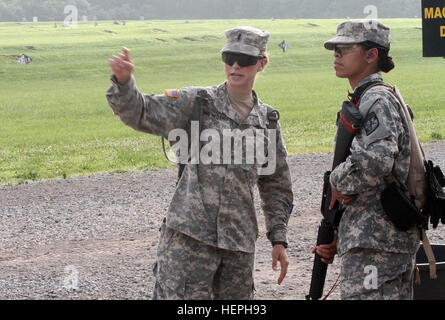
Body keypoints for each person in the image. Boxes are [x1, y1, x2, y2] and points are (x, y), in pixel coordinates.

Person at [106, 26, 294, 300]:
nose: (235, 65)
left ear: (262, 63)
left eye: (245, 59)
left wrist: (278, 238)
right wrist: (124, 83)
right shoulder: (196, 103)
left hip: (238, 249)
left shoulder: (267, 122)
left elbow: (276, 184)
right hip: (189, 242)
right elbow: (141, 112)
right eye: (229, 58)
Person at [313, 20, 419, 300]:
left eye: (345, 48)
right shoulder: (369, 98)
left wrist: (336, 181)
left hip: (376, 244)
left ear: (371, 55)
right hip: (377, 240)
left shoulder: (377, 100)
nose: (336, 55)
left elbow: (375, 161)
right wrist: (340, 231)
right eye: (335, 49)